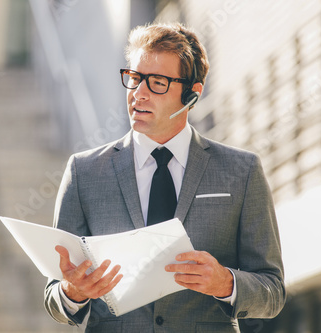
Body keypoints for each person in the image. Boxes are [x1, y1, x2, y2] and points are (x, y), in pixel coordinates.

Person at [44, 22, 285, 332]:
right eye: (133, 79)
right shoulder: (84, 172)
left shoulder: (242, 171)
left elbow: (273, 291)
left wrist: (226, 283)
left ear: (192, 95)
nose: (138, 94)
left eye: (157, 82)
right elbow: (54, 296)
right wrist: (72, 293)